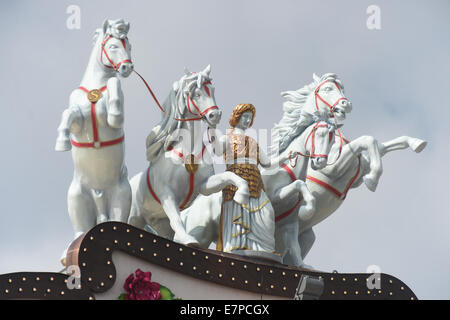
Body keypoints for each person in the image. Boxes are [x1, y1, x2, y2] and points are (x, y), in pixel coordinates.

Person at [212, 104, 287, 256]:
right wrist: (211, 127)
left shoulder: (253, 142)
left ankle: (262, 249)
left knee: (267, 213)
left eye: (250, 118)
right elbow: (217, 150)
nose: (247, 120)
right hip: (236, 182)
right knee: (239, 214)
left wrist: (286, 156)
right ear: (237, 117)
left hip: (256, 182)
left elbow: (267, 163)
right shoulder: (227, 138)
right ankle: (237, 247)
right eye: (245, 116)